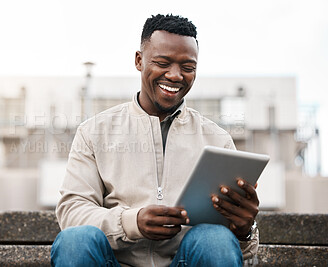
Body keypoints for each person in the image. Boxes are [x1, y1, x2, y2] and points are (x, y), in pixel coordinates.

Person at [51, 14, 259, 267]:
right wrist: (132, 222)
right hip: (114, 262)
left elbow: (235, 251)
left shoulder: (217, 139)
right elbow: (72, 213)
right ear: (139, 61)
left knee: (215, 239)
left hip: (185, 261)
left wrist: (244, 230)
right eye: (163, 63)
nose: (175, 75)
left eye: (188, 67)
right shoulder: (94, 132)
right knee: (76, 241)